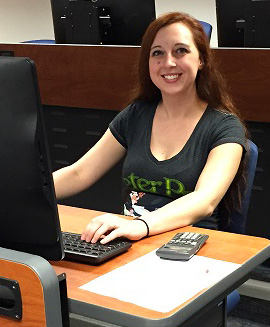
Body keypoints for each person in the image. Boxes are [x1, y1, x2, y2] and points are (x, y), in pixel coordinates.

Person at [53, 12, 247, 244]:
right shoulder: (136, 115)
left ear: (202, 59)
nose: (169, 63)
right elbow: (80, 173)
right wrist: (24, 192)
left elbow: (205, 200)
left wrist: (141, 225)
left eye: (180, 50)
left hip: (192, 250)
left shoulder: (224, 126)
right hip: (131, 244)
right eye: (157, 53)